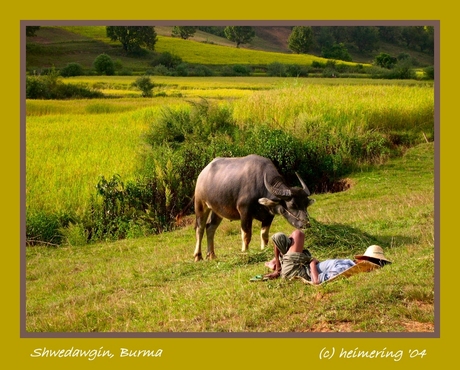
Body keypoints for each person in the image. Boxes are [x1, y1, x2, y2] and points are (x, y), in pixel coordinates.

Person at [264, 230, 391, 285]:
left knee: (296, 234)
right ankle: (276, 266)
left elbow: (316, 281)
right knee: (287, 237)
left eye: (364, 258)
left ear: (364, 261)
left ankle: (278, 268)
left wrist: (313, 263)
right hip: (296, 267)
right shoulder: (349, 264)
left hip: (295, 270)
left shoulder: (344, 269)